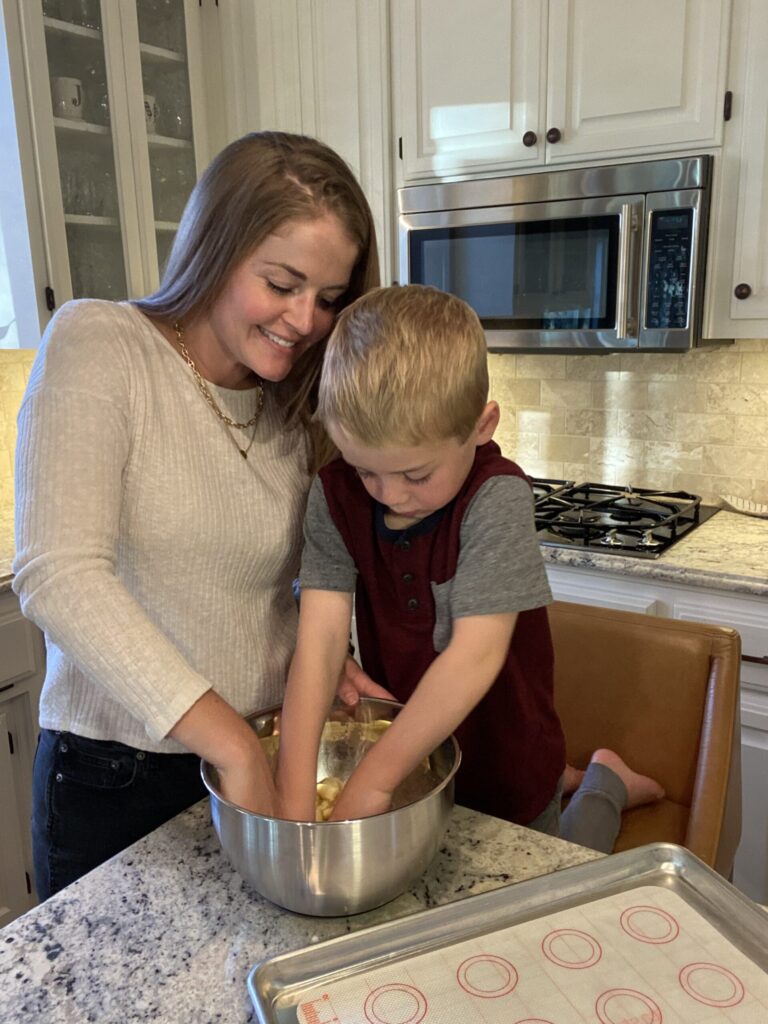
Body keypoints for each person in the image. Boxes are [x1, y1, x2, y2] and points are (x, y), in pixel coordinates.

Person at [12, 131, 389, 900]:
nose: (305, 319)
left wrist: (311, 655)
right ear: (217, 247)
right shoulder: (100, 342)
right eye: (282, 283)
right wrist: (234, 748)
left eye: (328, 298)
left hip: (262, 757)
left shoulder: (294, 402)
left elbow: (261, 579)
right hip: (117, 780)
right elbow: (57, 575)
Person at [276, 284, 663, 852]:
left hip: (507, 757)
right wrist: (291, 803)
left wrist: (373, 780)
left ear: (481, 427)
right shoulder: (333, 494)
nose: (390, 496)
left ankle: (604, 783)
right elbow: (320, 641)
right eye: (367, 471)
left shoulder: (496, 497)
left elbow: (475, 653)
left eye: (416, 474)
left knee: (557, 880)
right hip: (415, 756)